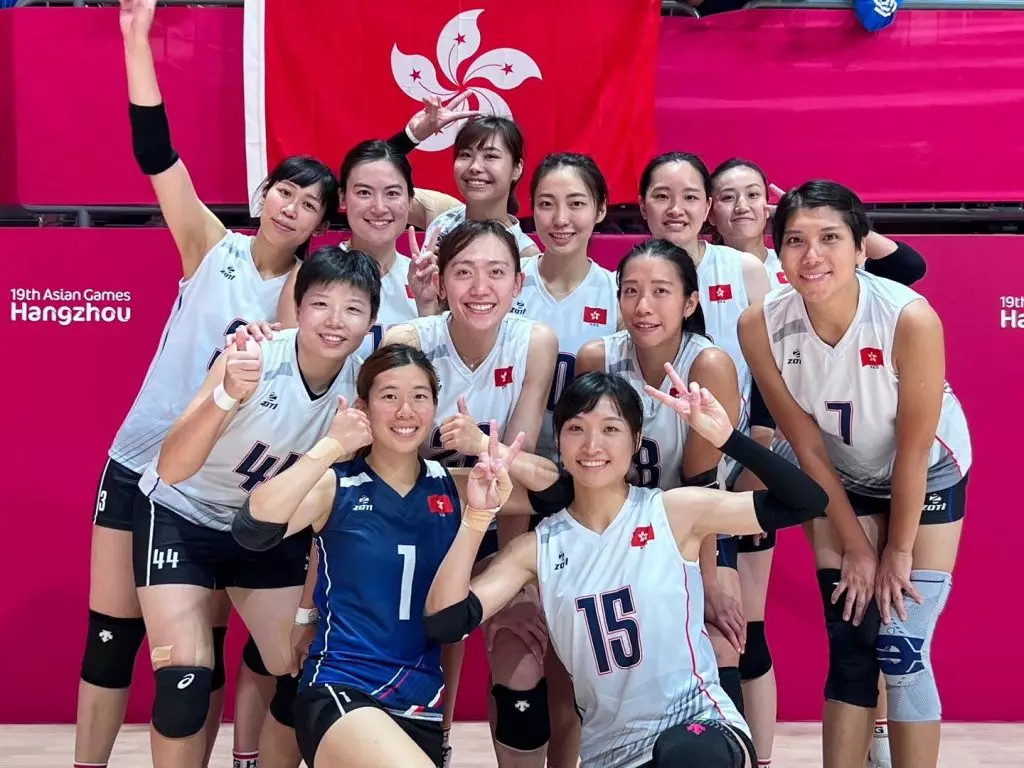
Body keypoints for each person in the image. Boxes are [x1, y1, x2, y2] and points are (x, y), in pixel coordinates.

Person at [75, 4, 340, 768]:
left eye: (309, 204)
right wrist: (136, 40)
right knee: (110, 637)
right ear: (264, 194)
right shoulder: (209, 246)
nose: (292, 207)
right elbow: (156, 153)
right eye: (285, 191)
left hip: (219, 486)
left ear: (319, 223)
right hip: (140, 462)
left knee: (201, 660)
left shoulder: (308, 299)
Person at [424, 370, 831, 768]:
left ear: (636, 440)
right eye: (576, 429)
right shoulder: (538, 548)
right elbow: (447, 621)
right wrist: (477, 517)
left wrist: (726, 439)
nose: (592, 445)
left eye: (610, 429)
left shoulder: (674, 512)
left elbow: (807, 501)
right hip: (610, 754)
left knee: (686, 755)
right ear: (559, 441)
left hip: (699, 726)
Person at [230, 343, 560, 768]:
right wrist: (331, 446)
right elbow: (253, 526)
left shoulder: (455, 487)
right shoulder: (337, 486)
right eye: (389, 396)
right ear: (364, 408)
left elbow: (555, 492)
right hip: (342, 690)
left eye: (420, 396)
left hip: (419, 704)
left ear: (435, 407)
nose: (406, 410)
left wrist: (485, 446)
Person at [737, 180, 971, 768]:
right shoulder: (759, 325)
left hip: (927, 472)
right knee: (850, 642)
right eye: (795, 240)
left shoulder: (909, 318)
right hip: (838, 474)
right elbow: (806, 445)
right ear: (777, 252)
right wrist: (856, 546)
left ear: (861, 248)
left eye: (830, 239)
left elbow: (913, 450)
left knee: (901, 648)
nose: (812, 255)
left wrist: (897, 551)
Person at [132, 246, 379, 768]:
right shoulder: (253, 357)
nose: (335, 321)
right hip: (184, 515)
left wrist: (308, 611)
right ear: (298, 306)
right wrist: (226, 395)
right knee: (184, 680)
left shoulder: (361, 388)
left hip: (267, 531)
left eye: (353, 309)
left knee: (303, 670)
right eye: (321, 304)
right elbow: (171, 468)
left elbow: (330, 514)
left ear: (371, 321)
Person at [383, 218, 558, 766]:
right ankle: (433, 745)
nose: (480, 288)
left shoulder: (534, 342)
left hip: (495, 529)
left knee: (521, 662)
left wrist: (510, 581)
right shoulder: (409, 342)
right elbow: (397, 475)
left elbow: (517, 476)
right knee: (427, 657)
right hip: (414, 531)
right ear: (441, 281)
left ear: (518, 283)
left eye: (496, 272)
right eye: (464, 272)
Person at [575, 237, 747, 715]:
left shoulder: (708, 364)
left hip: (693, 524)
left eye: (660, 291)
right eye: (630, 291)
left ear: (690, 302)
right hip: (615, 524)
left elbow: (702, 484)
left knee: (721, 638)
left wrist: (706, 583)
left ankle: (727, 742)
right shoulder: (597, 358)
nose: (643, 306)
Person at [396, 106, 540, 259]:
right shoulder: (444, 220)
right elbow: (379, 180)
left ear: (517, 168)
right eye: (465, 155)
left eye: (490, 156)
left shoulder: (525, 253)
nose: (474, 167)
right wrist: (410, 137)